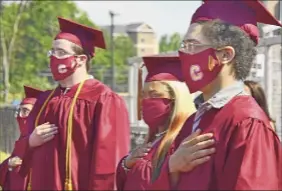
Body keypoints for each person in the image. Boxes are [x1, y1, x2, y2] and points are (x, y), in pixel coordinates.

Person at [150, 0, 282, 190]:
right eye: (184, 44)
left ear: (225, 55)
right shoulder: (195, 119)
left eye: (192, 45)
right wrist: (172, 168)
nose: (183, 53)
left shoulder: (247, 123)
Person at [18, 17, 130, 190]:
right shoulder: (45, 100)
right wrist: (31, 142)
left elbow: (108, 166)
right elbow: (22, 155)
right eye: (52, 52)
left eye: (61, 52)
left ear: (81, 59)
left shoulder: (104, 100)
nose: (54, 57)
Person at [116, 55, 216, 190]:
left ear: (176, 99)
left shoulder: (184, 140)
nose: (145, 101)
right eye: (144, 95)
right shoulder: (154, 139)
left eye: (155, 95)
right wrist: (126, 164)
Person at [0, 86, 43, 190]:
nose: (19, 116)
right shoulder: (22, 139)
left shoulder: (45, 140)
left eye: (25, 111)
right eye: (19, 111)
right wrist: (9, 164)